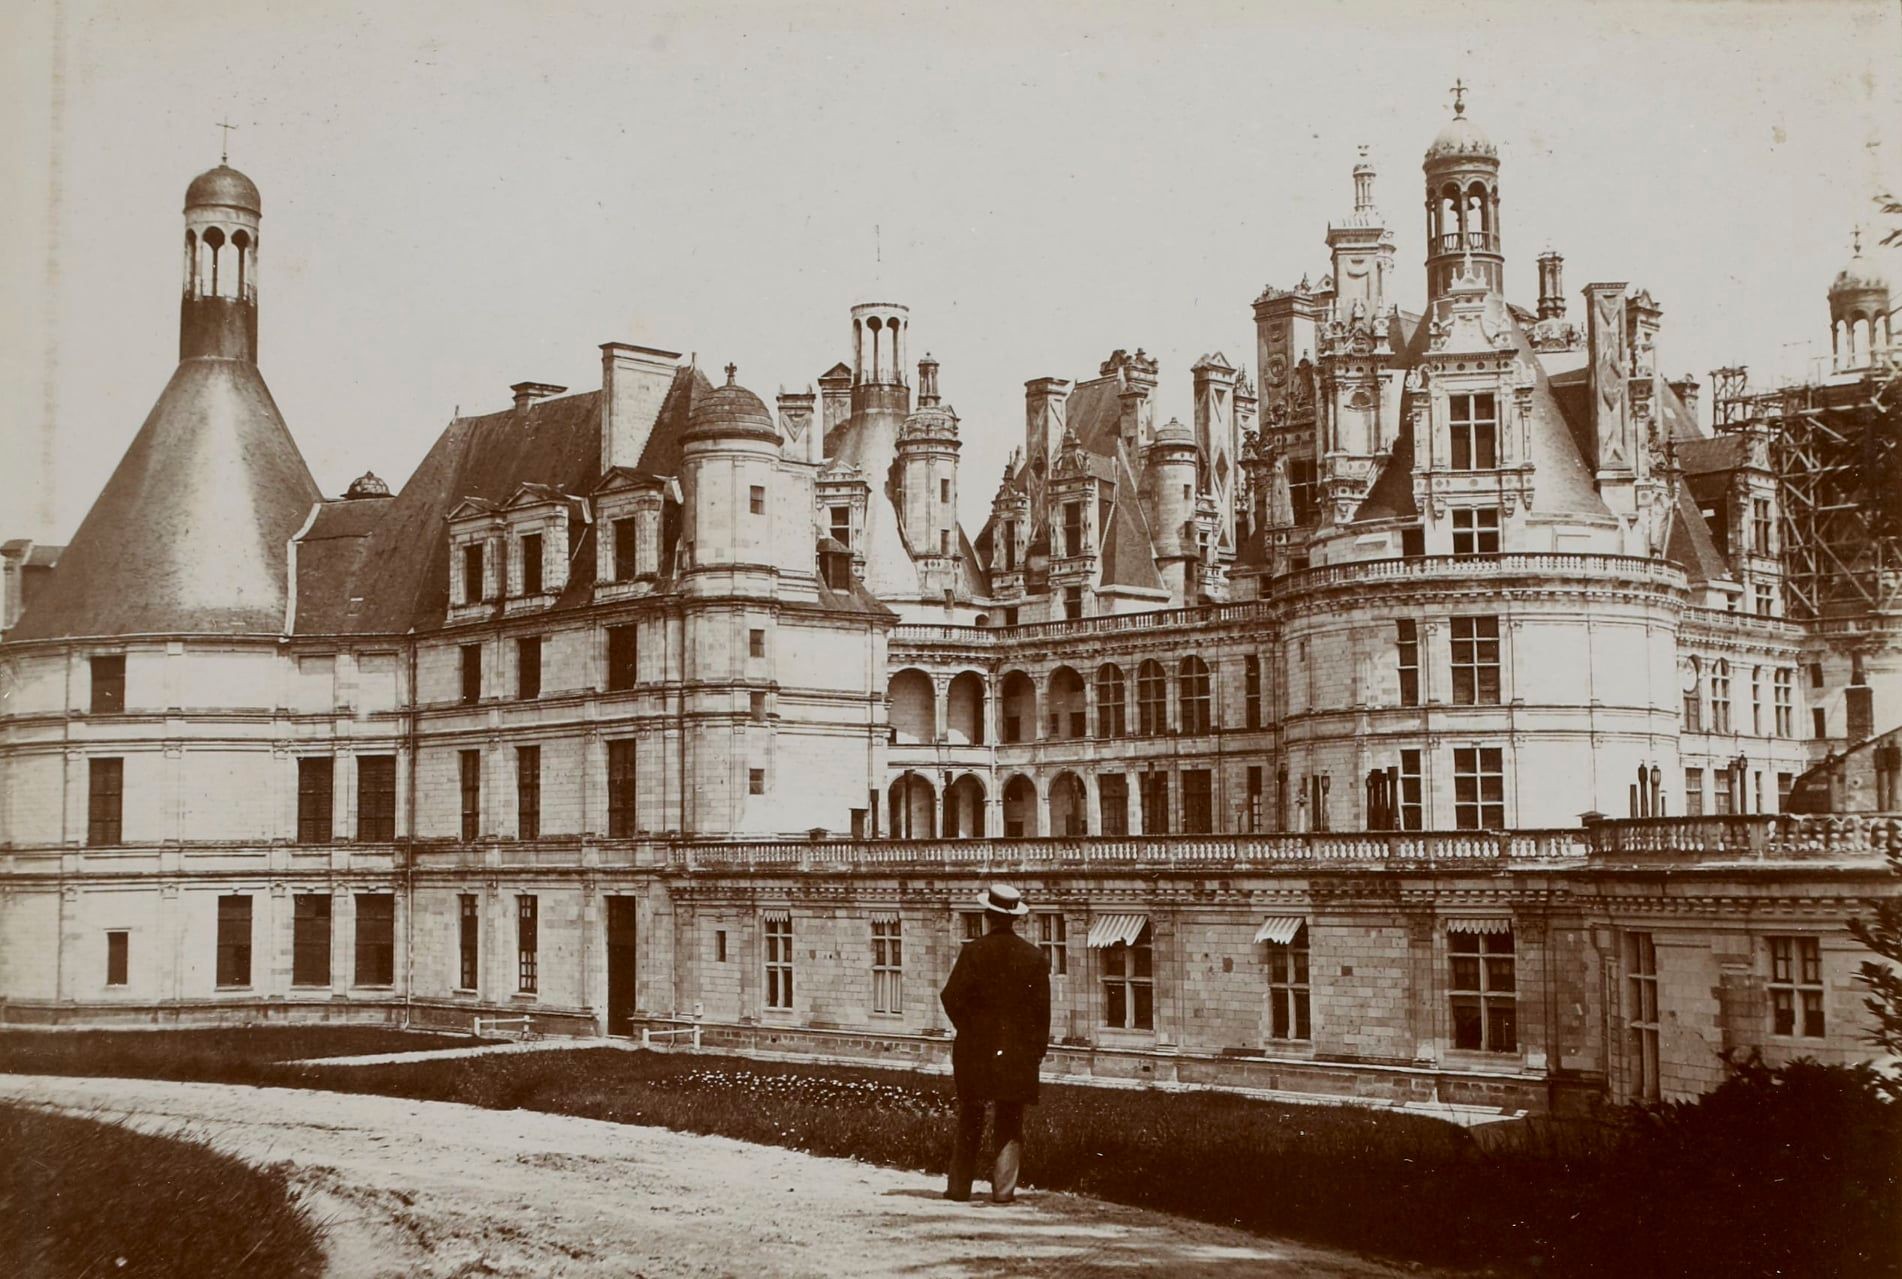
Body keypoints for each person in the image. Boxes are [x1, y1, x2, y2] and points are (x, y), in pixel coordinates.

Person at [939, 882, 1052, 1204]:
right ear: (1015, 918)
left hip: (975, 1049)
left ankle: (959, 1188)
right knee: (1010, 1119)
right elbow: (1041, 1012)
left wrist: (970, 1029)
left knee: (970, 1115)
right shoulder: (1034, 957)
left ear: (988, 915)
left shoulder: (973, 952)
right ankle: (1003, 1191)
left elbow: (951, 997)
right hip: (1017, 1051)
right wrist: (1035, 1051)